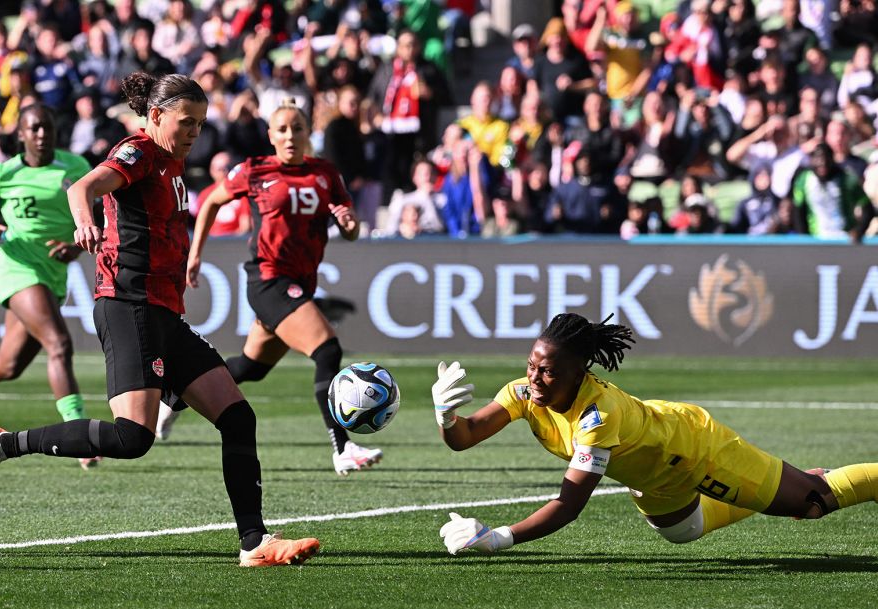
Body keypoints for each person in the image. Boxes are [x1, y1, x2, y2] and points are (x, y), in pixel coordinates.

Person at [0, 73, 319, 568]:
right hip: (129, 306)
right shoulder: (139, 151)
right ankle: (3, 444)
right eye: (186, 122)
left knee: (238, 417)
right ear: (156, 116)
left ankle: (254, 543)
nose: (195, 132)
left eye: (200, 123)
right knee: (132, 438)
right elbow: (84, 187)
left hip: (164, 312)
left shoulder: (172, 160)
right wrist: (85, 221)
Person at [432, 313, 878, 556]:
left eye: (547, 371)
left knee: (812, 503)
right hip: (653, 477)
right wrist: (447, 416)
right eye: (532, 365)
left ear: (579, 373)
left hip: (695, 451)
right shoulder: (523, 393)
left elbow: (568, 506)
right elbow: (466, 436)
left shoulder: (597, 417)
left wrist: (500, 537)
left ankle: (823, 484)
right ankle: (778, 486)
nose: (534, 378)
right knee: (683, 531)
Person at [181, 97, 384, 477]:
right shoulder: (255, 170)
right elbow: (210, 203)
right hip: (268, 279)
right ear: (271, 135)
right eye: (283, 129)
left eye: (298, 128)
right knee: (327, 349)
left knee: (250, 368)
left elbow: (351, 230)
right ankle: (343, 448)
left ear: (309, 133)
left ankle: (177, 394)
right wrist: (195, 255)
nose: (290, 136)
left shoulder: (325, 173)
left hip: (300, 283)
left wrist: (348, 222)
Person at [0, 103, 98, 470]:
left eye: (47, 127)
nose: (41, 134)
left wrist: (76, 246)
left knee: (7, 366)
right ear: (21, 134)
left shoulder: (76, 167)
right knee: (59, 344)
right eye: (34, 128)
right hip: (18, 267)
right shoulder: (6, 171)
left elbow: (95, 216)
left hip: (53, 272)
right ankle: (79, 436)